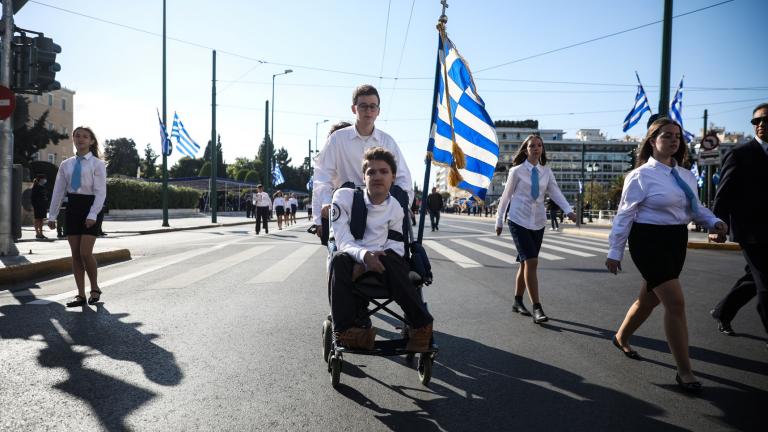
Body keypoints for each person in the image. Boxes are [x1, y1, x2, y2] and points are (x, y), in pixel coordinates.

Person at [606, 118, 728, 392]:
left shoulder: (685, 175)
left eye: (678, 137)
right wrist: (614, 251)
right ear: (652, 141)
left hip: (675, 240)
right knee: (675, 303)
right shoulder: (640, 175)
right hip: (648, 241)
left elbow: (696, 210)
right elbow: (624, 215)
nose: (674, 140)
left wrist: (715, 222)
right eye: (667, 136)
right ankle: (684, 371)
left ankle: (621, 337)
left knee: (648, 300)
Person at [329, 147, 433, 351]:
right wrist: (364, 257)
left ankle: (422, 325)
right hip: (352, 256)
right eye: (371, 172)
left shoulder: (396, 207)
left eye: (383, 171)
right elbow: (343, 240)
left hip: (383, 262)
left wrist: (369, 264)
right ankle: (347, 331)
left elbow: (396, 246)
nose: (377, 176)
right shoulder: (344, 197)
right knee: (338, 259)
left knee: (393, 258)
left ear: (393, 177)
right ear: (363, 176)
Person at [312, 85, 413, 244]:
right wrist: (323, 207)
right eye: (363, 106)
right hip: (347, 210)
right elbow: (322, 176)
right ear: (354, 109)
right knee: (343, 260)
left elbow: (402, 178)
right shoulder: (337, 139)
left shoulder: (388, 141)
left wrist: (403, 205)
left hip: (382, 211)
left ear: (378, 111)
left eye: (373, 106)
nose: (368, 111)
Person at [495, 134, 576, 323]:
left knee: (525, 264)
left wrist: (568, 210)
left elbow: (555, 191)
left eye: (540, 145)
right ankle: (537, 307)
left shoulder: (546, 171)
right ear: (526, 149)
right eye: (532, 146)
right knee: (531, 262)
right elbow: (506, 197)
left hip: (538, 222)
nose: (537, 148)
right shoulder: (516, 171)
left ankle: (517, 301)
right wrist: (498, 220)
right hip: (518, 220)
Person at [710, 103, 768, 340]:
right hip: (751, 232)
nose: (761, 125)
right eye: (756, 121)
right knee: (766, 286)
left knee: (752, 280)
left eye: (766, 120)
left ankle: (722, 312)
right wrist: (716, 224)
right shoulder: (739, 154)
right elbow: (724, 192)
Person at [47, 126, 108, 308]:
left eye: (85, 136)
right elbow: (58, 191)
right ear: (73, 139)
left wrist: (92, 214)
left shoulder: (97, 164)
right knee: (75, 254)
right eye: (77, 136)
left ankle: (95, 288)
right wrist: (52, 215)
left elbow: (100, 192)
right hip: (73, 207)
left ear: (91, 141)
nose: (80, 139)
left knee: (85, 252)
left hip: (91, 207)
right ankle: (80, 295)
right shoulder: (66, 165)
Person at [31, 174, 49, 239]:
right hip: (37, 206)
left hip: (43, 206)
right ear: (40, 179)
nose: (44, 180)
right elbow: (33, 198)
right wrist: (34, 205)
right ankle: (37, 233)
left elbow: (45, 196)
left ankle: (41, 233)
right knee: (37, 219)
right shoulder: (35, 187)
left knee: (41, 220)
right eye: (43, 179)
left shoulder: (43, 187)